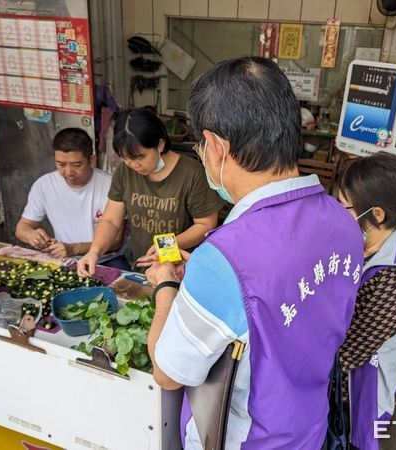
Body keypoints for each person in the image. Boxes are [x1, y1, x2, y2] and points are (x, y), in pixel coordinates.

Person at [145, 57, 364, 449]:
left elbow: (167, 372)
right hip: (308, 429)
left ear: (215, 147)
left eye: (199, 144)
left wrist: (166, 287)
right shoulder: (344, 221)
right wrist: (206, 281)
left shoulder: (225, 257)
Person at [337, 152, 396, 450]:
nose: (338, 213)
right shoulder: (364, 245)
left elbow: (344, 356)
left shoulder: (395, 283)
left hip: (358, 396)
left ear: (377, 215)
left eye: (345, 206)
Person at [77, 107, 221, 275]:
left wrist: (165, 245)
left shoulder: (192, 173)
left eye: (139, 157)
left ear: (159, 144)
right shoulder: (125, 171)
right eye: (125, 158)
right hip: (140, 267)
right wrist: (94, 251)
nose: (133, 164)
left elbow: (206, 225)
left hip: (179, 270)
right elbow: (110, 220)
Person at [15, 128, 120, 259]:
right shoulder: (45, 185)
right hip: (64, 259)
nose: (68, 172)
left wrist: (75, 249)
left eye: (76, 165)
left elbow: (116, 242)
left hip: (105, 259)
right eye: (61, 164)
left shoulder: (111, 185)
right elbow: (22, 227)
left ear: (92, 160)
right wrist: (30, 235)